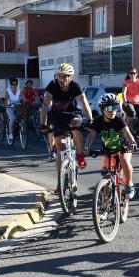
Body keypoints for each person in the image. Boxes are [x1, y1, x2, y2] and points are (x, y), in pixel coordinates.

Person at [40, 63, 93, 193]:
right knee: (59, 149)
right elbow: (45, 105)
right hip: (57, 117)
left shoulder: (75, 86)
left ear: (71, 77)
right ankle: (60, 183)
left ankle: (79, 156)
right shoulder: (52, 86)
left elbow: (84, 102)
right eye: (59, 76)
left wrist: (90, 120)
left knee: (75, 127)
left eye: (65, 76)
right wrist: (43, 124)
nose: (62, 79)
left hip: (72, 115)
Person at [85, 94, 137, 199]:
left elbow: (127, 133)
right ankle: (104, 207)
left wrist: (133, 143)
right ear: (101, 109)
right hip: (108, 150)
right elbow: (91, 135)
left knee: (124, 159)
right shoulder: (98, 121)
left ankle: (129, 185)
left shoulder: (119, 120)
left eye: (115, 107)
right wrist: (87, 148)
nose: (113, 110)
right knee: (105, 175)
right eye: (109, 107)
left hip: (124, 147)